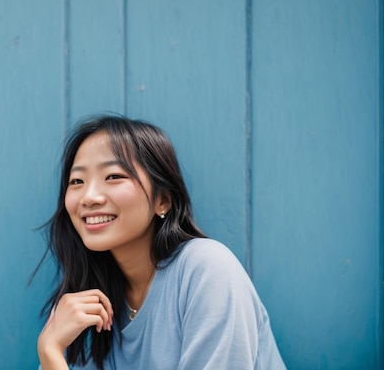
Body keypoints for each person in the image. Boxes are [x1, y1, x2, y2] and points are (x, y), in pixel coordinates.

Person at [36, 114, 285, 370]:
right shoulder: (91, 308)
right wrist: (50, 351)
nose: (89, 197)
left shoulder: (207, 270)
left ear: (162, 201)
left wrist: (51, 353)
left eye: (113, 176)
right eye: (77, 181)